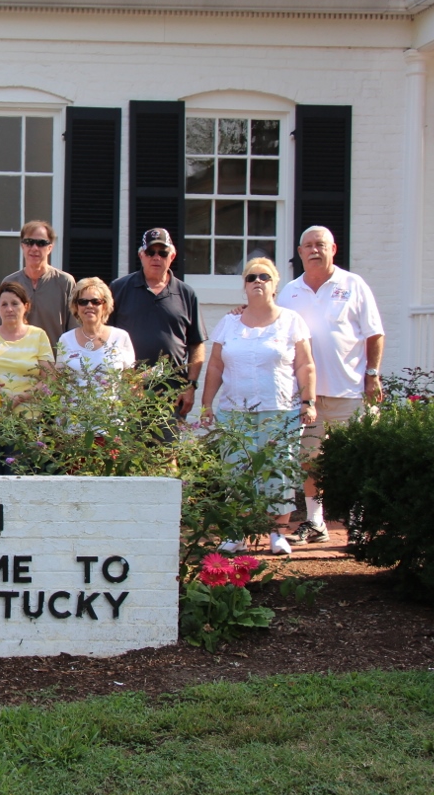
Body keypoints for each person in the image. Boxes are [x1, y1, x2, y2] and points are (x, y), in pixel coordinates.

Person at [201, 257, 317, 556]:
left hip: (280, 410)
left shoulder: (291, 321)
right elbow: (215, 366)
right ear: (244, 286)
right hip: (234, 412)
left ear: (275, 284)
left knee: (279, 470)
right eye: (251, 277)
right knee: (237, 472)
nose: (257, 282)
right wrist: (206, 404)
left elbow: (305, 365)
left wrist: (308, 401)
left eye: (264, 277)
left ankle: (278, 534)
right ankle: (237, 534)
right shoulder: (229, 323)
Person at [277, 226, 384, 545]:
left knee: (355, 459)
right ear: (299, 252)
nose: (314, 250)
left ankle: (357, 524)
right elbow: (274, 328)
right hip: (306, 397)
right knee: (310, 461)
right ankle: (315, 521)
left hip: (350, 392)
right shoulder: (290, 292)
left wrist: (372, 374)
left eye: (320, 245)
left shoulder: (353, 285)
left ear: (333, 249)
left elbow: (374, 333)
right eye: (308, 245)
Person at [109, 228, 206, 421]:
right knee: (127, 441)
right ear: (141, 255)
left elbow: (197, 343)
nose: (156, 257)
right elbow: (106, 338)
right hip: (127, 392)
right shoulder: (119, 288)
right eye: (150, 252)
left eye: (162, 253)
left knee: (168, 442)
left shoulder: (186, 294)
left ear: (172, 256)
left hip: (172, 393)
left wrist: (191, 385)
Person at [0, 282, 54, 474]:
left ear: (26, 306)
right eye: (4, 304)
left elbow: (49, 379)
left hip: (24, 419)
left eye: (15, 303)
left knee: (17, 475)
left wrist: (21, 398)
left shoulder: (38, 336)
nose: (9, 309)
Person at [0, 220, 76, 349]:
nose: (34, 248)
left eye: (41, 243)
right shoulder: (9, 283)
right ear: (22, 246)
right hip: (17, 358)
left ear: (50, 247)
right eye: (29, 242)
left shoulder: (65, 282)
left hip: (54, 359)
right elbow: (0, 327)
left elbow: (74, 330)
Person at [56, 277, 136, 379]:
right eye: (83, 302)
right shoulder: (66, 339)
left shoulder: (120, 337)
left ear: (105, 306)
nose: (89, 305)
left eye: (96, 301)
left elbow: (130, 380)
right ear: (76, 307)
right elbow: (59, 379)